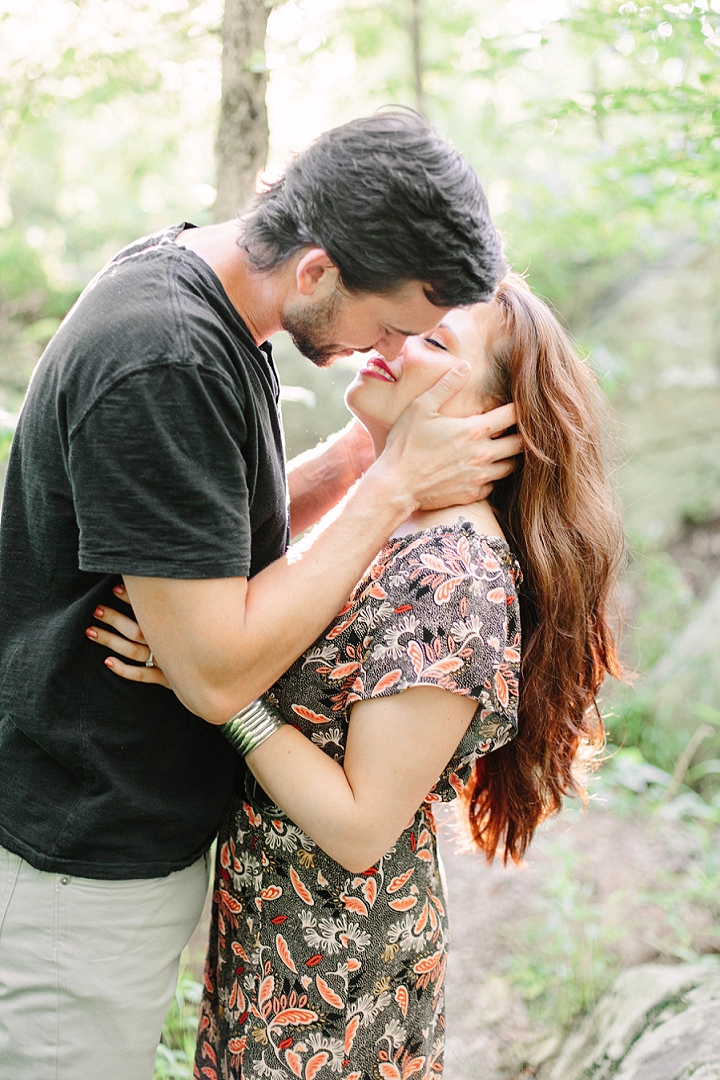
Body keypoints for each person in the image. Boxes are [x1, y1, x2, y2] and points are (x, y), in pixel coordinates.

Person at [0, 110, 520, 1078]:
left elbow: (188, 532)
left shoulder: (194, 297)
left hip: (110, 833)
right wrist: (390, 484)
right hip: (76, 847)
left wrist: (359, 458)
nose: (387, 349)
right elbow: (211, 674)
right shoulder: (169, 353)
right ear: (318, 269)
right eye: (395, 323)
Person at [91, 273, 624, 1080]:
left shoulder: (455, 578)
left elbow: (359, 823)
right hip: (276, 941)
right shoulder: (392, 523)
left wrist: (215, 690)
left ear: (488, 417)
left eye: (436, 344)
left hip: (340, 984)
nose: (394, 343)